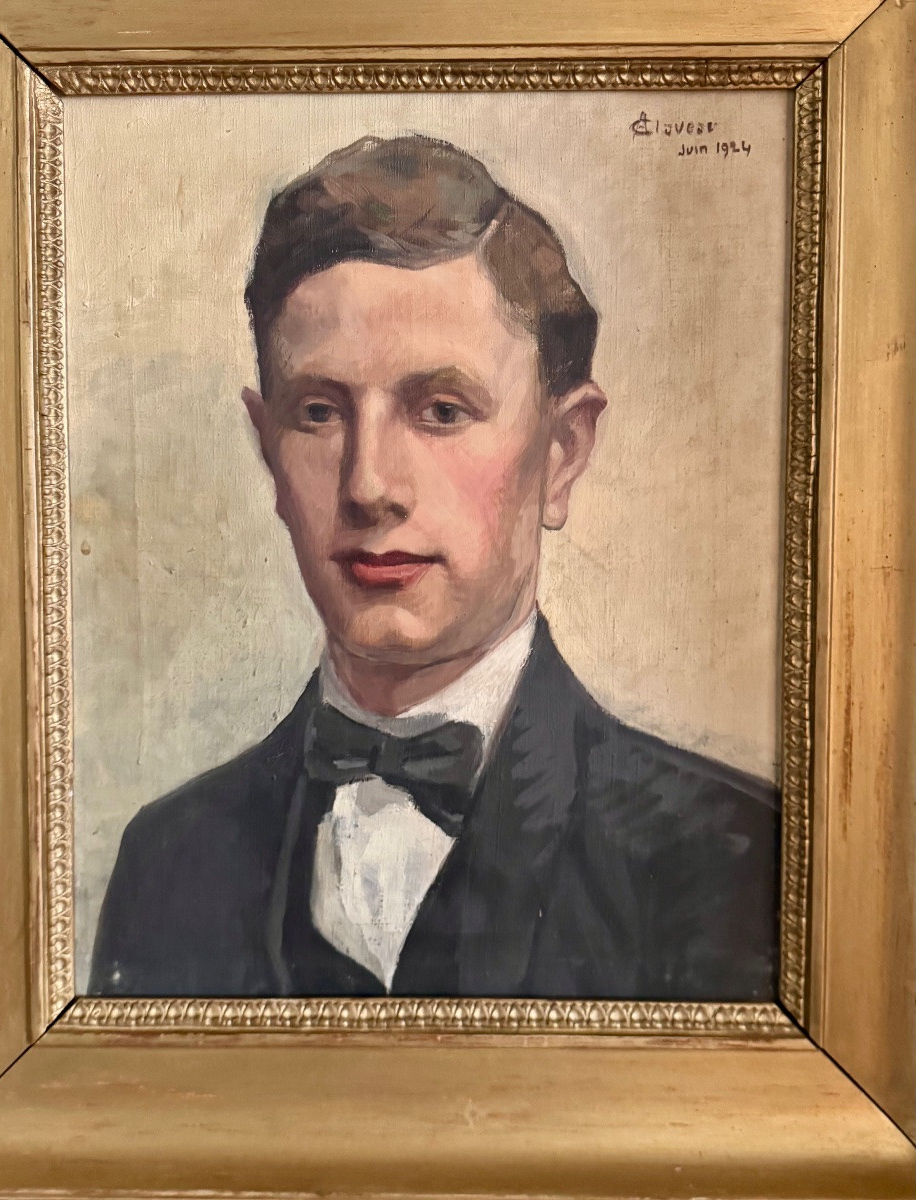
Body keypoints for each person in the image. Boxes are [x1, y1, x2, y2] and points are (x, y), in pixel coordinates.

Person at [89, 134, 779, 1000]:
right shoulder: (170, 856)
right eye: (317, 412)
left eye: (441, 410)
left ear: (562, 452)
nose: (369, 484)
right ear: (267, 450)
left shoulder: (736, 860)